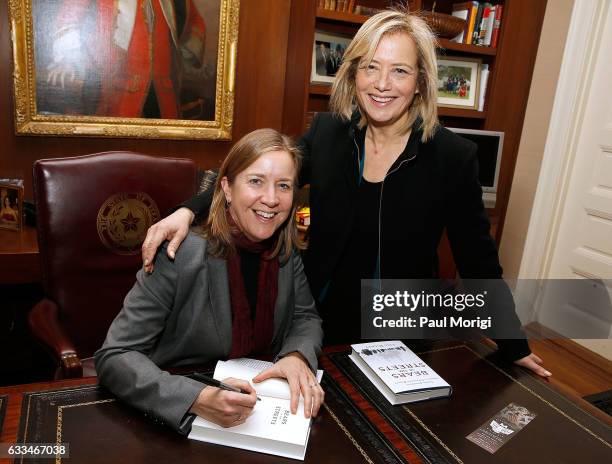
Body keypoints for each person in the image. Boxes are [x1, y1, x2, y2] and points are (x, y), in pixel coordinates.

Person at [141, 9, 551, 378]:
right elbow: (256, 176)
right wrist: (186, 211)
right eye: (371, 67)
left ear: (422, 82)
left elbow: (478, 259)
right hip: (317, 325)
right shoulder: (327, 134)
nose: (382, 85)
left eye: (400, 71)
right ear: (354, 74)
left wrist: (514, 344)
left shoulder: (452, 157)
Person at [95, 128, 324, 435]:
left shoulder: (284, 248)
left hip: (261, 407)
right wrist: (196, 398)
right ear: (226, 188)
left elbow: (304, 317)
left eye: (283, 185)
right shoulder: (180, 251)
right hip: (177, 413)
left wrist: (296, 354)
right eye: (256, 181)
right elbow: (115, 356)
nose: (271, 199)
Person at [44, 0, 206, 118]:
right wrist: (68, 57)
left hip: (163, 94)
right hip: (116, 94)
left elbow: (192, 25)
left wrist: (188, 57)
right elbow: (69, 16)